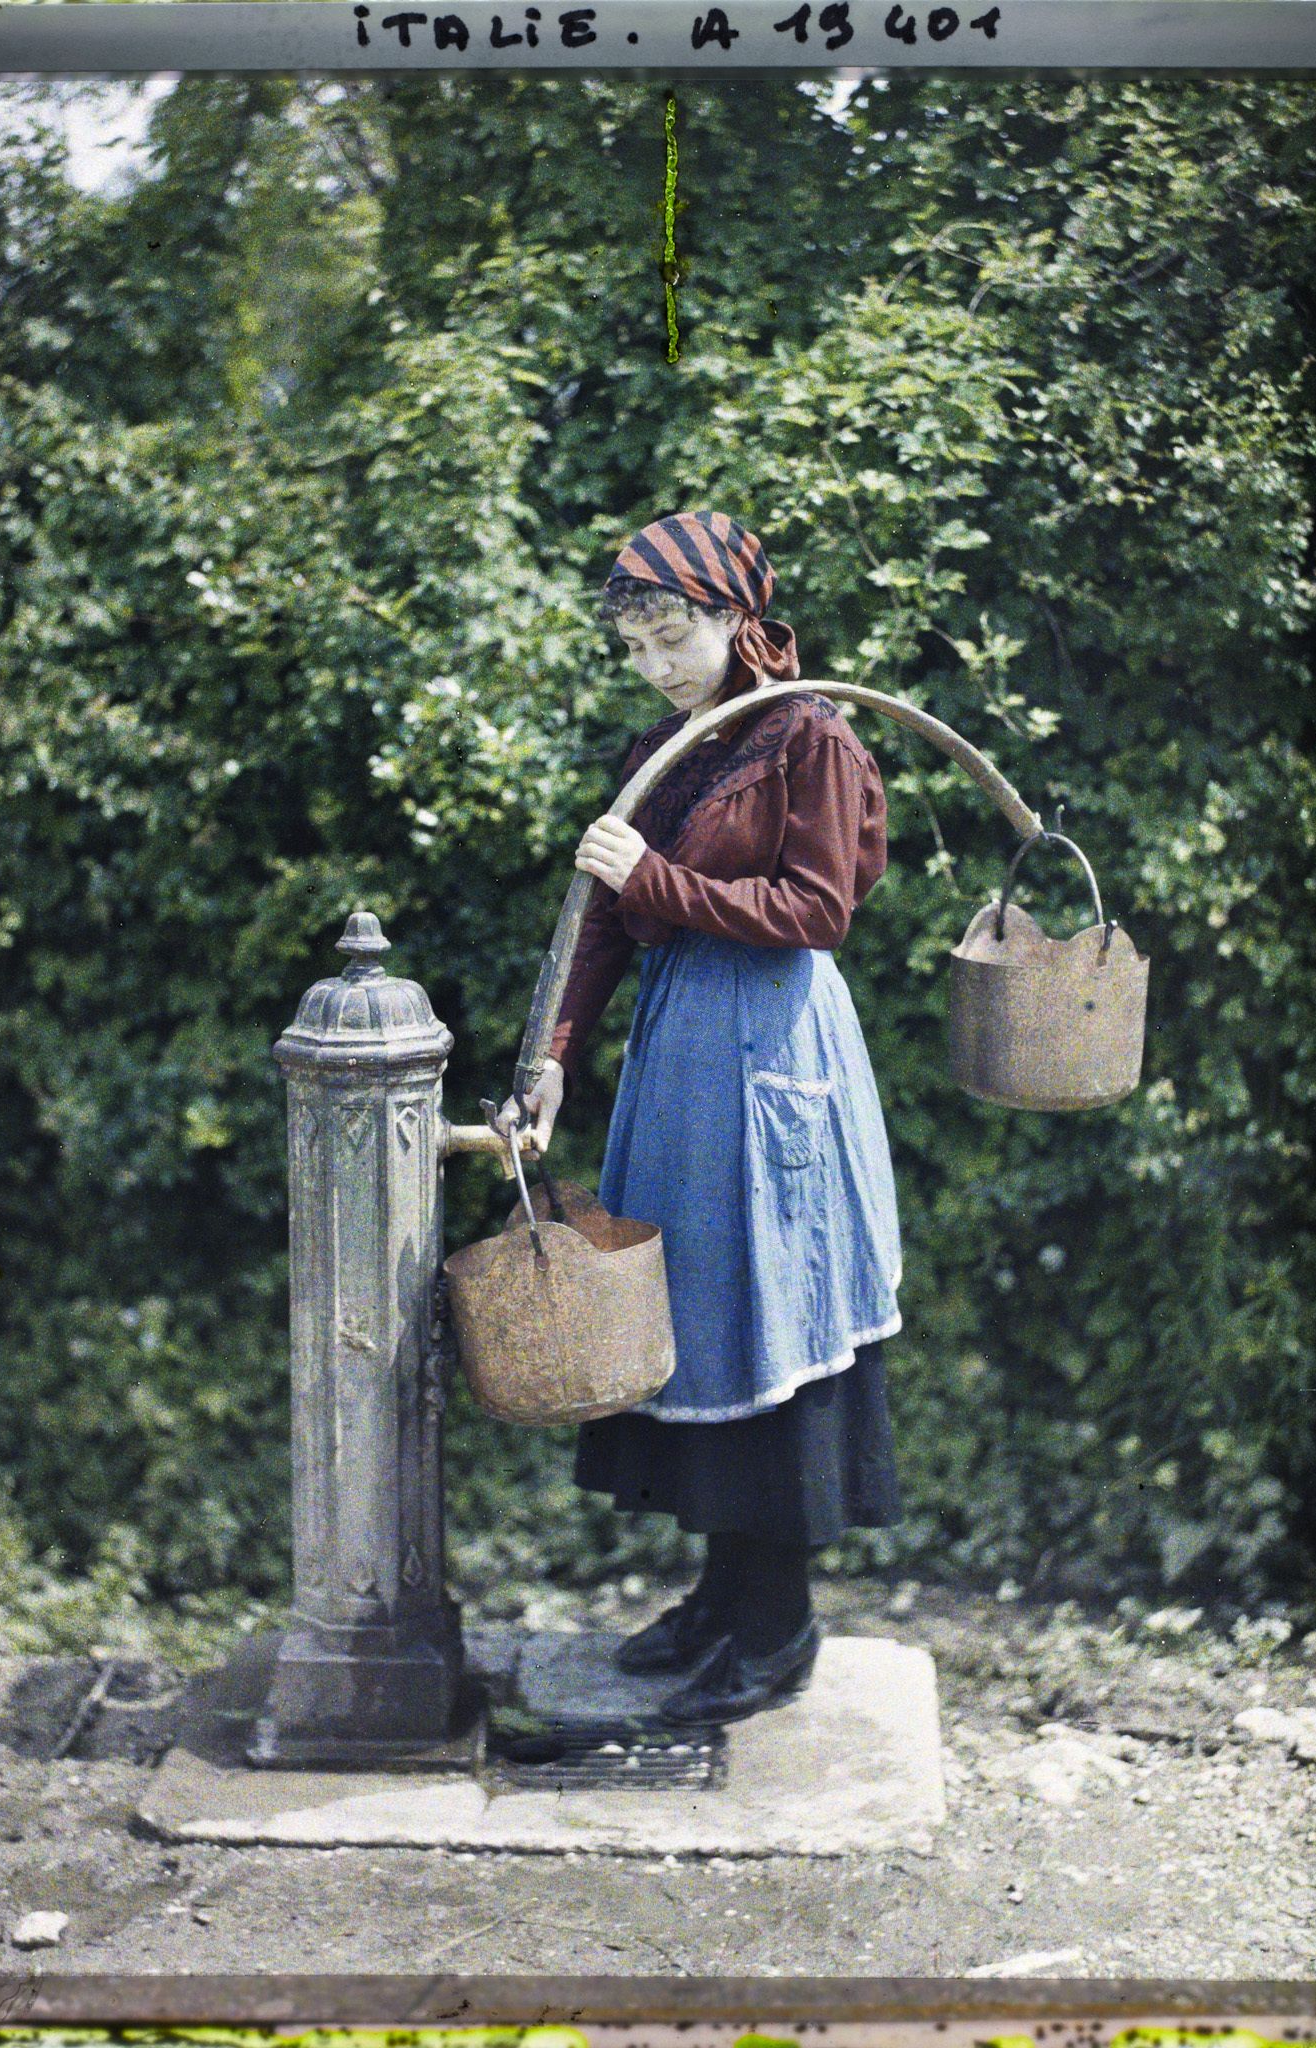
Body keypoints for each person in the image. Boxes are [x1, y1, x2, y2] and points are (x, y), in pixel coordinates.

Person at [498, 511, 903, 1725]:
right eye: (637, 646)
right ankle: (722, 1601)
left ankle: (776, 1628)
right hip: (681, 1057)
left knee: (770, 1313)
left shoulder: (805, 738)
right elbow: (607, 920)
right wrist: (554, 1056)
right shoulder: (664, 748)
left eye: (672, 635)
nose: (659, 664)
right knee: (703, 1321)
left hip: (776, 1051)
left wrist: (648, 875)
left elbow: (816, 909)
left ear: (736, 615)